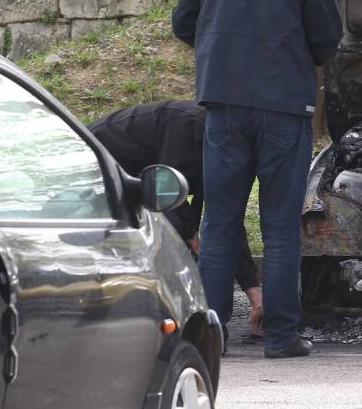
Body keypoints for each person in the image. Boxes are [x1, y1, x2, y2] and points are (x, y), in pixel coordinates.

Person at [171, 0, 343, 358]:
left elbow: (183, 24)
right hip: (284, 110)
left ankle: (210, 338)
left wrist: (221, 53)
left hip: (223, 105)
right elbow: (328, 40)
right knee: (281, 227)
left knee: (221, 220)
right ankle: (282, 337)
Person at [88, 100, 264, 338]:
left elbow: (227, 221)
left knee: (199, 229)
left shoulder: (223, 152)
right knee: (171, 225)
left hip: (142, 175)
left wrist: (255, 297)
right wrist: (192, 232)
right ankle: (159, 315)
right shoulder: (187, 125)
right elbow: (166, 192)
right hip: (94, 159)